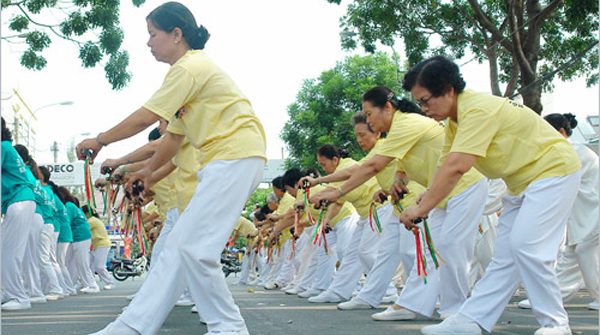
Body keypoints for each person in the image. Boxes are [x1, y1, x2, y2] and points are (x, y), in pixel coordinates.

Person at [79, 2, 266, 334]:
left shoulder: (188, 68)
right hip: (228, 159)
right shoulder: (190, 73)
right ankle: (134, 325)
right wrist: (148, 172)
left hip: (234, 156)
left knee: (193, 249)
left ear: (176, 34)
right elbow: (173, 140)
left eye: (153, 34)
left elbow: (146, 116)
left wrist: (100, 139)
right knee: (179, 248)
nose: (148, 42)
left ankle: (229, 327)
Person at [400, 56, 581, 335]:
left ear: (448, 89)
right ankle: (471, 320)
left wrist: (421, 210)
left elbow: (458, 166)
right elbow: (444, 164)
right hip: (522, 182)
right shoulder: (454, 121)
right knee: (505, 256)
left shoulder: (477, 109)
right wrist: (422, 201)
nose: (424, 109)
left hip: (554, 171)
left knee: (526, 247)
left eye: (425, 101)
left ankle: (556, 324)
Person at [308, 86, 487, 321]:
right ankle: (414, 304)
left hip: (465, 184)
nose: (369, 122)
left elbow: (372, 167)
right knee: (430, 250)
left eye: (370, 114)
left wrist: (338, 191)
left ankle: (455, 310)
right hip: (441, 191)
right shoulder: (398, 131)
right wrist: (397, 181)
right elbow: (402, 166)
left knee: (449, 247)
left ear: (388, 108)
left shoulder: (406, 124)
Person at [518, 113, 599, 311]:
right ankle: (548, 300)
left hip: (593, 213)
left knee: (584, 251)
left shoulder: (577, 152)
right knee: (572, 256)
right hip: (583, 215)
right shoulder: (568, 151)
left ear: (561, 132)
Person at [1, 117, 37, 311]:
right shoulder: (8, 147)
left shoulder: (2, 148)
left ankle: (19, 297)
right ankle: (9, 292)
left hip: (19, 202)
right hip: (20, 202)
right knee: (6, 250)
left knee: (10, 251)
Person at [84, 205, 115, 290]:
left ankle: (110, 282)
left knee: (99, 266)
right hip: (96, 245)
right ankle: (90, 284)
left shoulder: (92, 220)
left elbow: (83, 228)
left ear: (87, 213)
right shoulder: (93, 220)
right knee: (89, 267)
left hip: (102, 244)